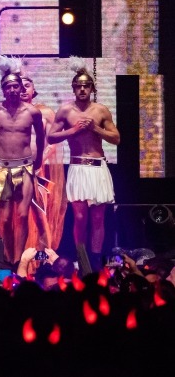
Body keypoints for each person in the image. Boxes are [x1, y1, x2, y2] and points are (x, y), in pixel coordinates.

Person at [47, 56, 120, 273]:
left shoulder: (101, 110)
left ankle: (95, 261)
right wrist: (74, 130)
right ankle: (82, 258)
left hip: (97, 166)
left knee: (98, 217)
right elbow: (51, 137)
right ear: (73, 88)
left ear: (92, 88)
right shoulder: (65, 110)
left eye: (86, 86)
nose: (82, 89)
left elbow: (116, 138)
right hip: (77, 166)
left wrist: (95, 128)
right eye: (78, 86)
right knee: (79, 217)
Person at [0, 56, 45, 264]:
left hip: (25, 167)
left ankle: (18, 260)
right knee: (5, 219)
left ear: (20, 88)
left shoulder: (32, 112)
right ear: (3, 90)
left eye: (16, 86)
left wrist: (39, 158)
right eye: (9, 87)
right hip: (1, 169)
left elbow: (40, 137)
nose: (13, 90)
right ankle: (8, 258)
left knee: (23, 215)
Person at [19, 69, 66, 252]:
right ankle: (17, 257)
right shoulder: (8, 113)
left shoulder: (44, 112)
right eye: (20, 85)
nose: (23, 89)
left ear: (34, 89)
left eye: (27, 85)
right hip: (13, 170)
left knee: (39, 213)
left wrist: (38, 162)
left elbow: (53, 142)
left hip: (36, 170)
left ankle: (45, 255)